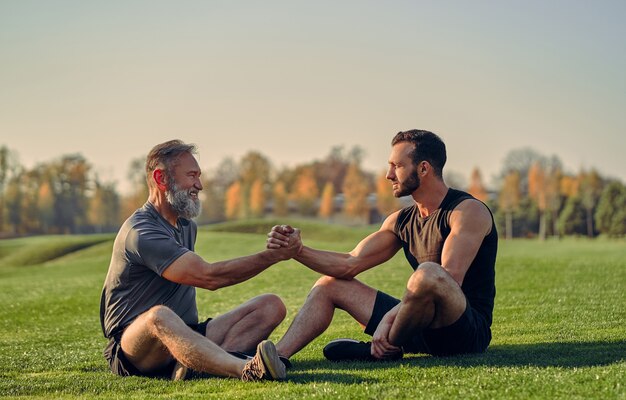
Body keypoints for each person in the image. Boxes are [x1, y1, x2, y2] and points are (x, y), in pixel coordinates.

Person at [267, 129, 498, 362]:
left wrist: (387, 320)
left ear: (424, 168)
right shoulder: (401, 220)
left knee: (428, 273)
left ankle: (381, 348)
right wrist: (296, 250)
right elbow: (349, 263)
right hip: (417, 326)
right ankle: (277, 358)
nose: (389, 175)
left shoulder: (466, 211)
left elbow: (448, 278)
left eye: (397, 166)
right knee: (329, 284)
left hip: (464, 332)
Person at [100, 140, 300, 382]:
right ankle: (246, 369)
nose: (200, 185)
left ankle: (193, 364)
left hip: (186, 333)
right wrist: (273, 256)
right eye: (192, 175)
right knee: (158, 316)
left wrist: (276, 249)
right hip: (134, 348)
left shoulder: (187, 226)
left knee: (270, 305)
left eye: (199, 175)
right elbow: (209, 276)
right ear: (161, 179)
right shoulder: (141, 232)